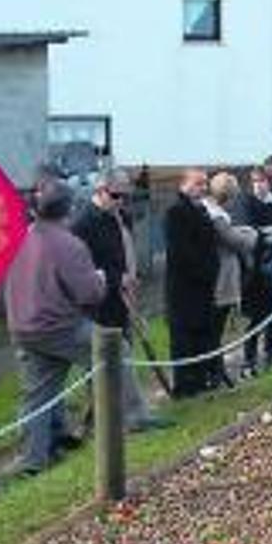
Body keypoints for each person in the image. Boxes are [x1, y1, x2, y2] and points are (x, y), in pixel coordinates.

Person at [4, 178, 106, 475]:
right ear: (70, 209)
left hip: (23, 326)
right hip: (59, 326)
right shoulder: (68, 244)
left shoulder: (19, 237)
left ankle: (34, 458)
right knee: (113, 353)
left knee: (37, 392)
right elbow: (89, 293)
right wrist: (100, 279)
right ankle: (132, 418)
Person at [70, 168, 166, 431]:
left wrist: (129, 278)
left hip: (122, 298)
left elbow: (124, 252)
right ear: (100, 190)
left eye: (126, 196)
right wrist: (115, 278)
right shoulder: (82, 224)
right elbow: (83, 268)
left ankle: (120, 413)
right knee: (101, 360)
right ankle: (103, 417)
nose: (121, 201)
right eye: (116, 195)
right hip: (97, 302)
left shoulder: (121, 216)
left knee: (124, 354)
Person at [164, 169, 219, 397]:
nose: (203, 188)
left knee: (201, 334)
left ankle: (199, 378)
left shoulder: (201, 208)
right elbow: (181, 252)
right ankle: (184, 384)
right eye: (198, 184)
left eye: (205, 184)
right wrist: (204, 270)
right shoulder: (176, 212)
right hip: (185, 287)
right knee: (184, 337)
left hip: (203, 286)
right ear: (184, 185)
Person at [205, 172, 260, 388]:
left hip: (222, 276)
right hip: (221, 279)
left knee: (216, 330)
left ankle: (218, 372)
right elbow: (236, 241)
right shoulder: (216, 216)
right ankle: (216, 373)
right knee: (215, 330)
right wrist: (252, 234)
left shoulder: (215, 214)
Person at [241, 167, 272, 376]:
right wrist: (271, 231)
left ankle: (270, 354)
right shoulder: (247, 202)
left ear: (270, 182)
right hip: (256, 268)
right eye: (254, 182)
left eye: (261, 181)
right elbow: (249, 229)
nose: (258, 185)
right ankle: (249, 361)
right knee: (256, 316)